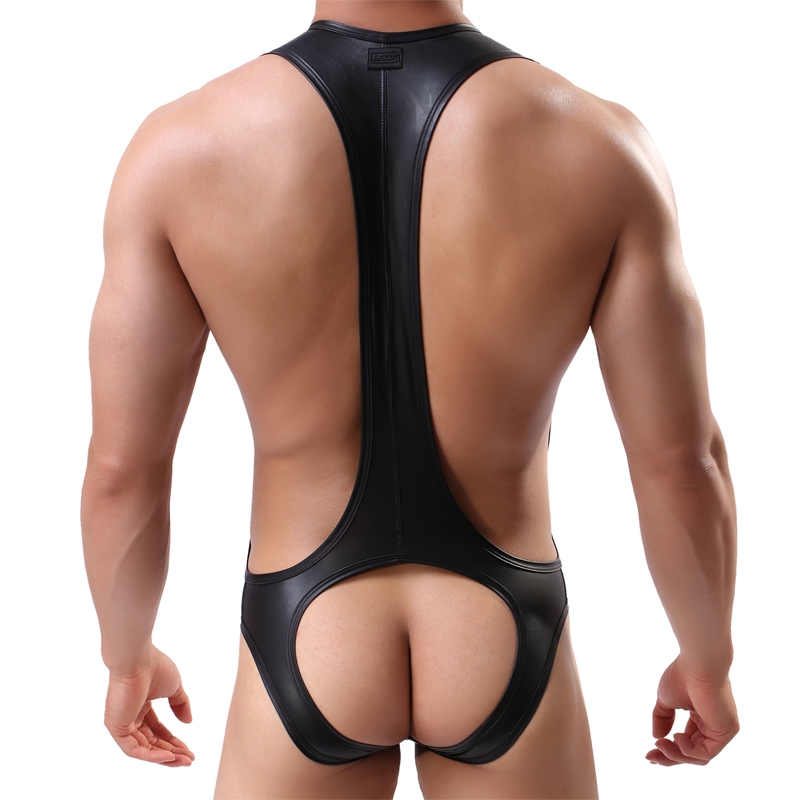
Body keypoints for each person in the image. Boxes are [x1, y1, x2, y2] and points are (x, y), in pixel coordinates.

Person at [80, 1, 739, 797]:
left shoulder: (179, 148)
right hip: (500, 623)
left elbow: (122, 471)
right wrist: (708, 660)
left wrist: (126, 657)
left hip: (305, 620)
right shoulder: (600, 143)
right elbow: (683, 462)